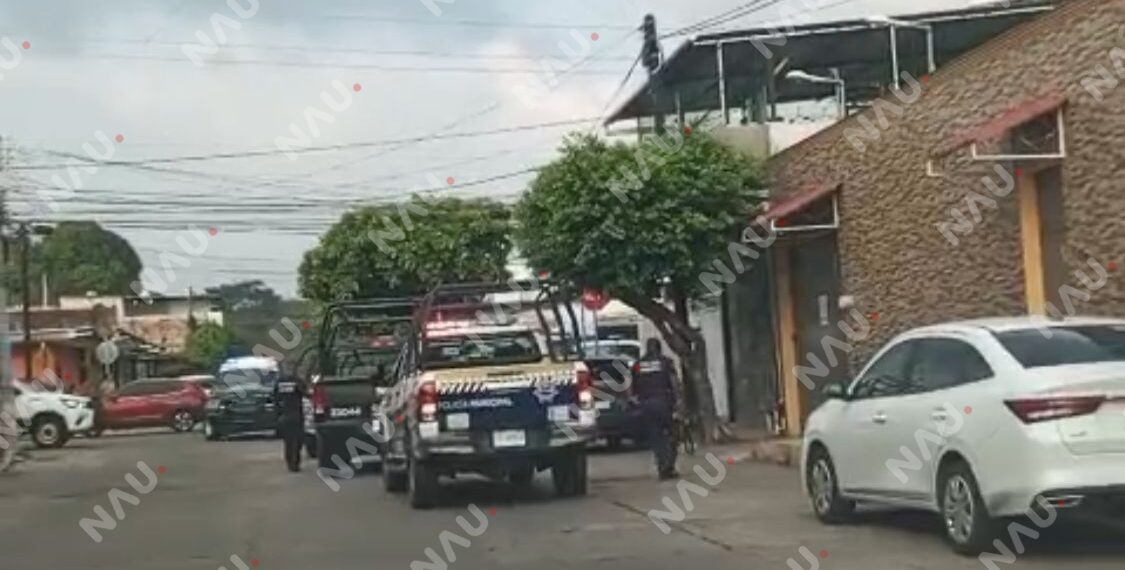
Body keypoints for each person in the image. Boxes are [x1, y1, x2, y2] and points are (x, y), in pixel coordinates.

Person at [631, 338, 682, 480]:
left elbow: (632, 389)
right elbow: (674, 383)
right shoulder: (666, 362)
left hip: (646, 405)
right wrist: (679, 402)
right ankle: (668, 466)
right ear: (659, 348)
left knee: (656, 437)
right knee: (673, 434)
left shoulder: (638, 365)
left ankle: (662, 467)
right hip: (664, 404)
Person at [272, 373, 308, 472]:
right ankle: (295, 462)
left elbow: (275, 398)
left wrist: (277, 415)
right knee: (298, 439)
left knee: (288, 441)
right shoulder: (298, 381)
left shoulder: (279, 382)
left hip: (284, 414)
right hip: (296, 414)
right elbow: (305, 393)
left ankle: (290, 462)